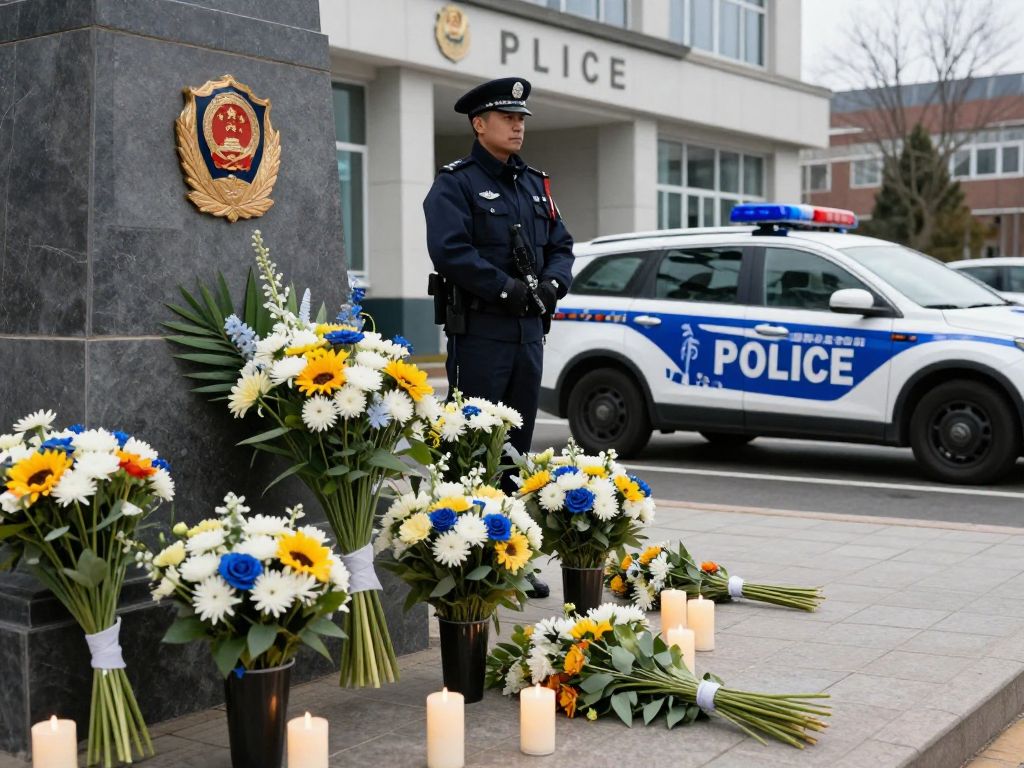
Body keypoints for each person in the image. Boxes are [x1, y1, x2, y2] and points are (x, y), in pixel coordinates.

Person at [423, 77, 575, 599]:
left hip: (528, 335)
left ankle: (511, 553)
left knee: (517, 448)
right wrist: (506, 290)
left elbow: (562, 243)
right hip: (482, 333)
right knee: (474, 449)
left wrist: (555, 282)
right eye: (507, 117)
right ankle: (465, 554)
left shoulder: (534, 184)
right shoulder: (456, 184)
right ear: (478, 123)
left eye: (521, 118)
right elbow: (450, 251)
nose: (517, 125)